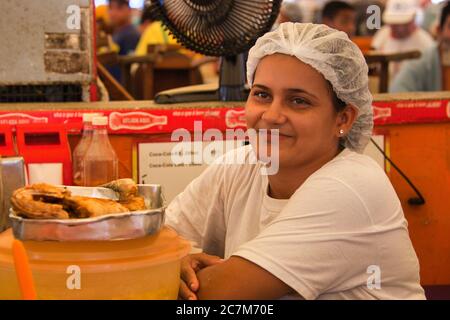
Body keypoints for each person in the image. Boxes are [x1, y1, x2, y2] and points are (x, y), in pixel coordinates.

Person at [165, 22, 425, 300]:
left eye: (299, 101)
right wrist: (176, 259)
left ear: (344, 119)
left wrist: (169, 268)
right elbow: (161, 238)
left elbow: (217, 296)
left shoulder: (350, 188)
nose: (272, 115)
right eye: (262, 94)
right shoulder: (240, 166)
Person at [390, 1, 450, 92]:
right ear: (439, 30)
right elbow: (397, 91)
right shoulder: (423, 60)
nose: (400, 29)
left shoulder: (424, 40)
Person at [372, 0, 435, 79]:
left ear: (413, 18)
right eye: (394, 23)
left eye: (403, 24)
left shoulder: (425, 43)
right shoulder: (382, 35)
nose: (399, 28)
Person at [107, 0, 140, 82]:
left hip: (122, 90)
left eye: (119, 8)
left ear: (129, 10)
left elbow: (132, 68)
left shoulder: (131, 35)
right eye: (110, 8)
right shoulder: (118, 33)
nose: (113, 13)